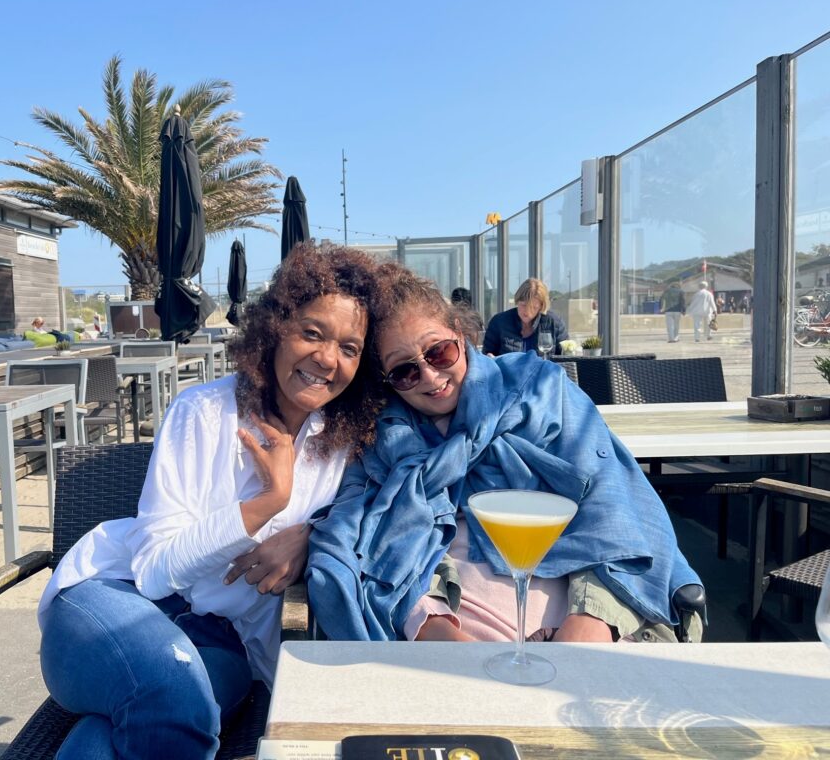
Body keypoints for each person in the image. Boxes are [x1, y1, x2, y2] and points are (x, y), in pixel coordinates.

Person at [37, 245, 384, 758]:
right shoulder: (203, 412)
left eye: (350, 347)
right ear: (275, 328)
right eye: (312, 332)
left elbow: (364, 509)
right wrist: (268, 502)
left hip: (222, 640)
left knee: (114, 736)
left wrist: (311, 534)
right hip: (112, 597)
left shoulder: (339, 441)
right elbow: (154, 572)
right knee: (172, 694)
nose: (328, 359)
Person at [307, 262, 703, 648]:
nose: (429, 376)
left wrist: (587, 627)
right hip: (449, 635)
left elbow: (610, 498)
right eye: (405, 371)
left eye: (440, 352)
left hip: (584, 611)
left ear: (460, 335)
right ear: (387, 381)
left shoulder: (541, 391)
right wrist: (440, 635)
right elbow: (372, 542)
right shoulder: (379, 437)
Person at [481, 278, 568, 357]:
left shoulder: (554, 323)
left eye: (534, 307)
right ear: (517, 301)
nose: (527, 311)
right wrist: (489, 358)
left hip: (545, 374)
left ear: (541, 307)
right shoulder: (499, 323)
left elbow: (566, 358)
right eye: (523, 305)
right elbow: (486, 356)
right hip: (508, 374)